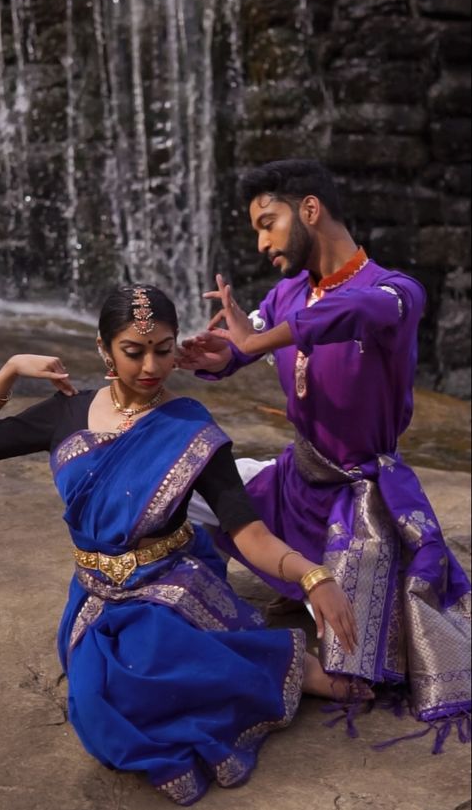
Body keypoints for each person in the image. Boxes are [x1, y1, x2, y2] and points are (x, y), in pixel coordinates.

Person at [0, 284, 366, 806]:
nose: (151, 366)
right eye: (134, 351)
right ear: (104, 349)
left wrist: (314, 575)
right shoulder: (66, 414)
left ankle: (290, 666)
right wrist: (10, 369)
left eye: (164, 349)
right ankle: (274, 664)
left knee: (147, 679)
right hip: (96, 596)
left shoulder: (190, 426)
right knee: (100, 713)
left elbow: (249, 532)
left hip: (169, 582)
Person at [179, 159, 471, 739]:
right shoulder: (287, 292)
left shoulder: (396, 292)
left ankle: (318, 594)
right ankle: (277, 590)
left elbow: (349, 312)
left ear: (310, 209)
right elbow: (245, 342)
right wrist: (218, 356)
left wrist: (258, 338)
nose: (261, 242)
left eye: (268, 223)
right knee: (179, 486)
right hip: (295, 483)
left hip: (361, 503)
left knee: (364, 657)